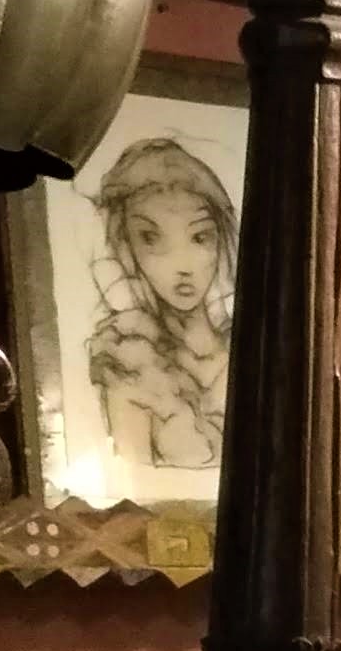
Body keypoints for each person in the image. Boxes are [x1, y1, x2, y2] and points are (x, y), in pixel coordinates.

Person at [88, 134, 235, 470]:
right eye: (151, 238)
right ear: (127, 247)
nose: (182, 265)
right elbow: (129, 480)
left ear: (220, 239)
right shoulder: (129, 358)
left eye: (199, 237)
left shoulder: (260, 355)